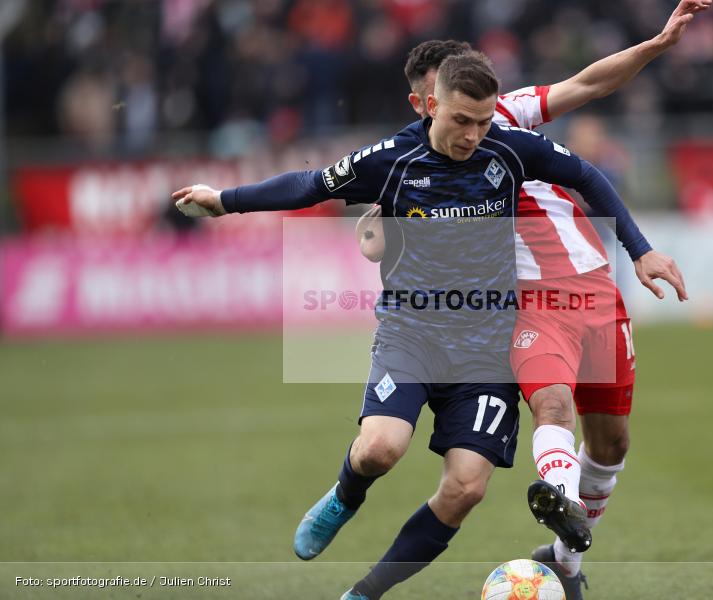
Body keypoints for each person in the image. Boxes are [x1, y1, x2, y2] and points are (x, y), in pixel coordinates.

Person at [172, 52, 657, 600]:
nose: (473, 135)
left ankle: (365, 593)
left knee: (467, 488)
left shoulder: (509, 147)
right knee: (380, 449)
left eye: (482, 122)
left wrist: (639, 250)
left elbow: (585, 173)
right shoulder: (391, 160)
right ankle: (345, 496)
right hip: (414, 333)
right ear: (430, 107)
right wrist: (224, 201)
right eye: (461, 121)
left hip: (486, 346)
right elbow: (310, 184)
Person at [353, 2, 707, 596]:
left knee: (612, 442)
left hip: (594, 283)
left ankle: (566, 560)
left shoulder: (506, 116)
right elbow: (375, 239)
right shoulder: (412, 164)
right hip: (530, 303)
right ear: (423, 102)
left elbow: (589, 82)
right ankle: (556, 497)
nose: (464, 123)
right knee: (551, 404)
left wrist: (657, 45)